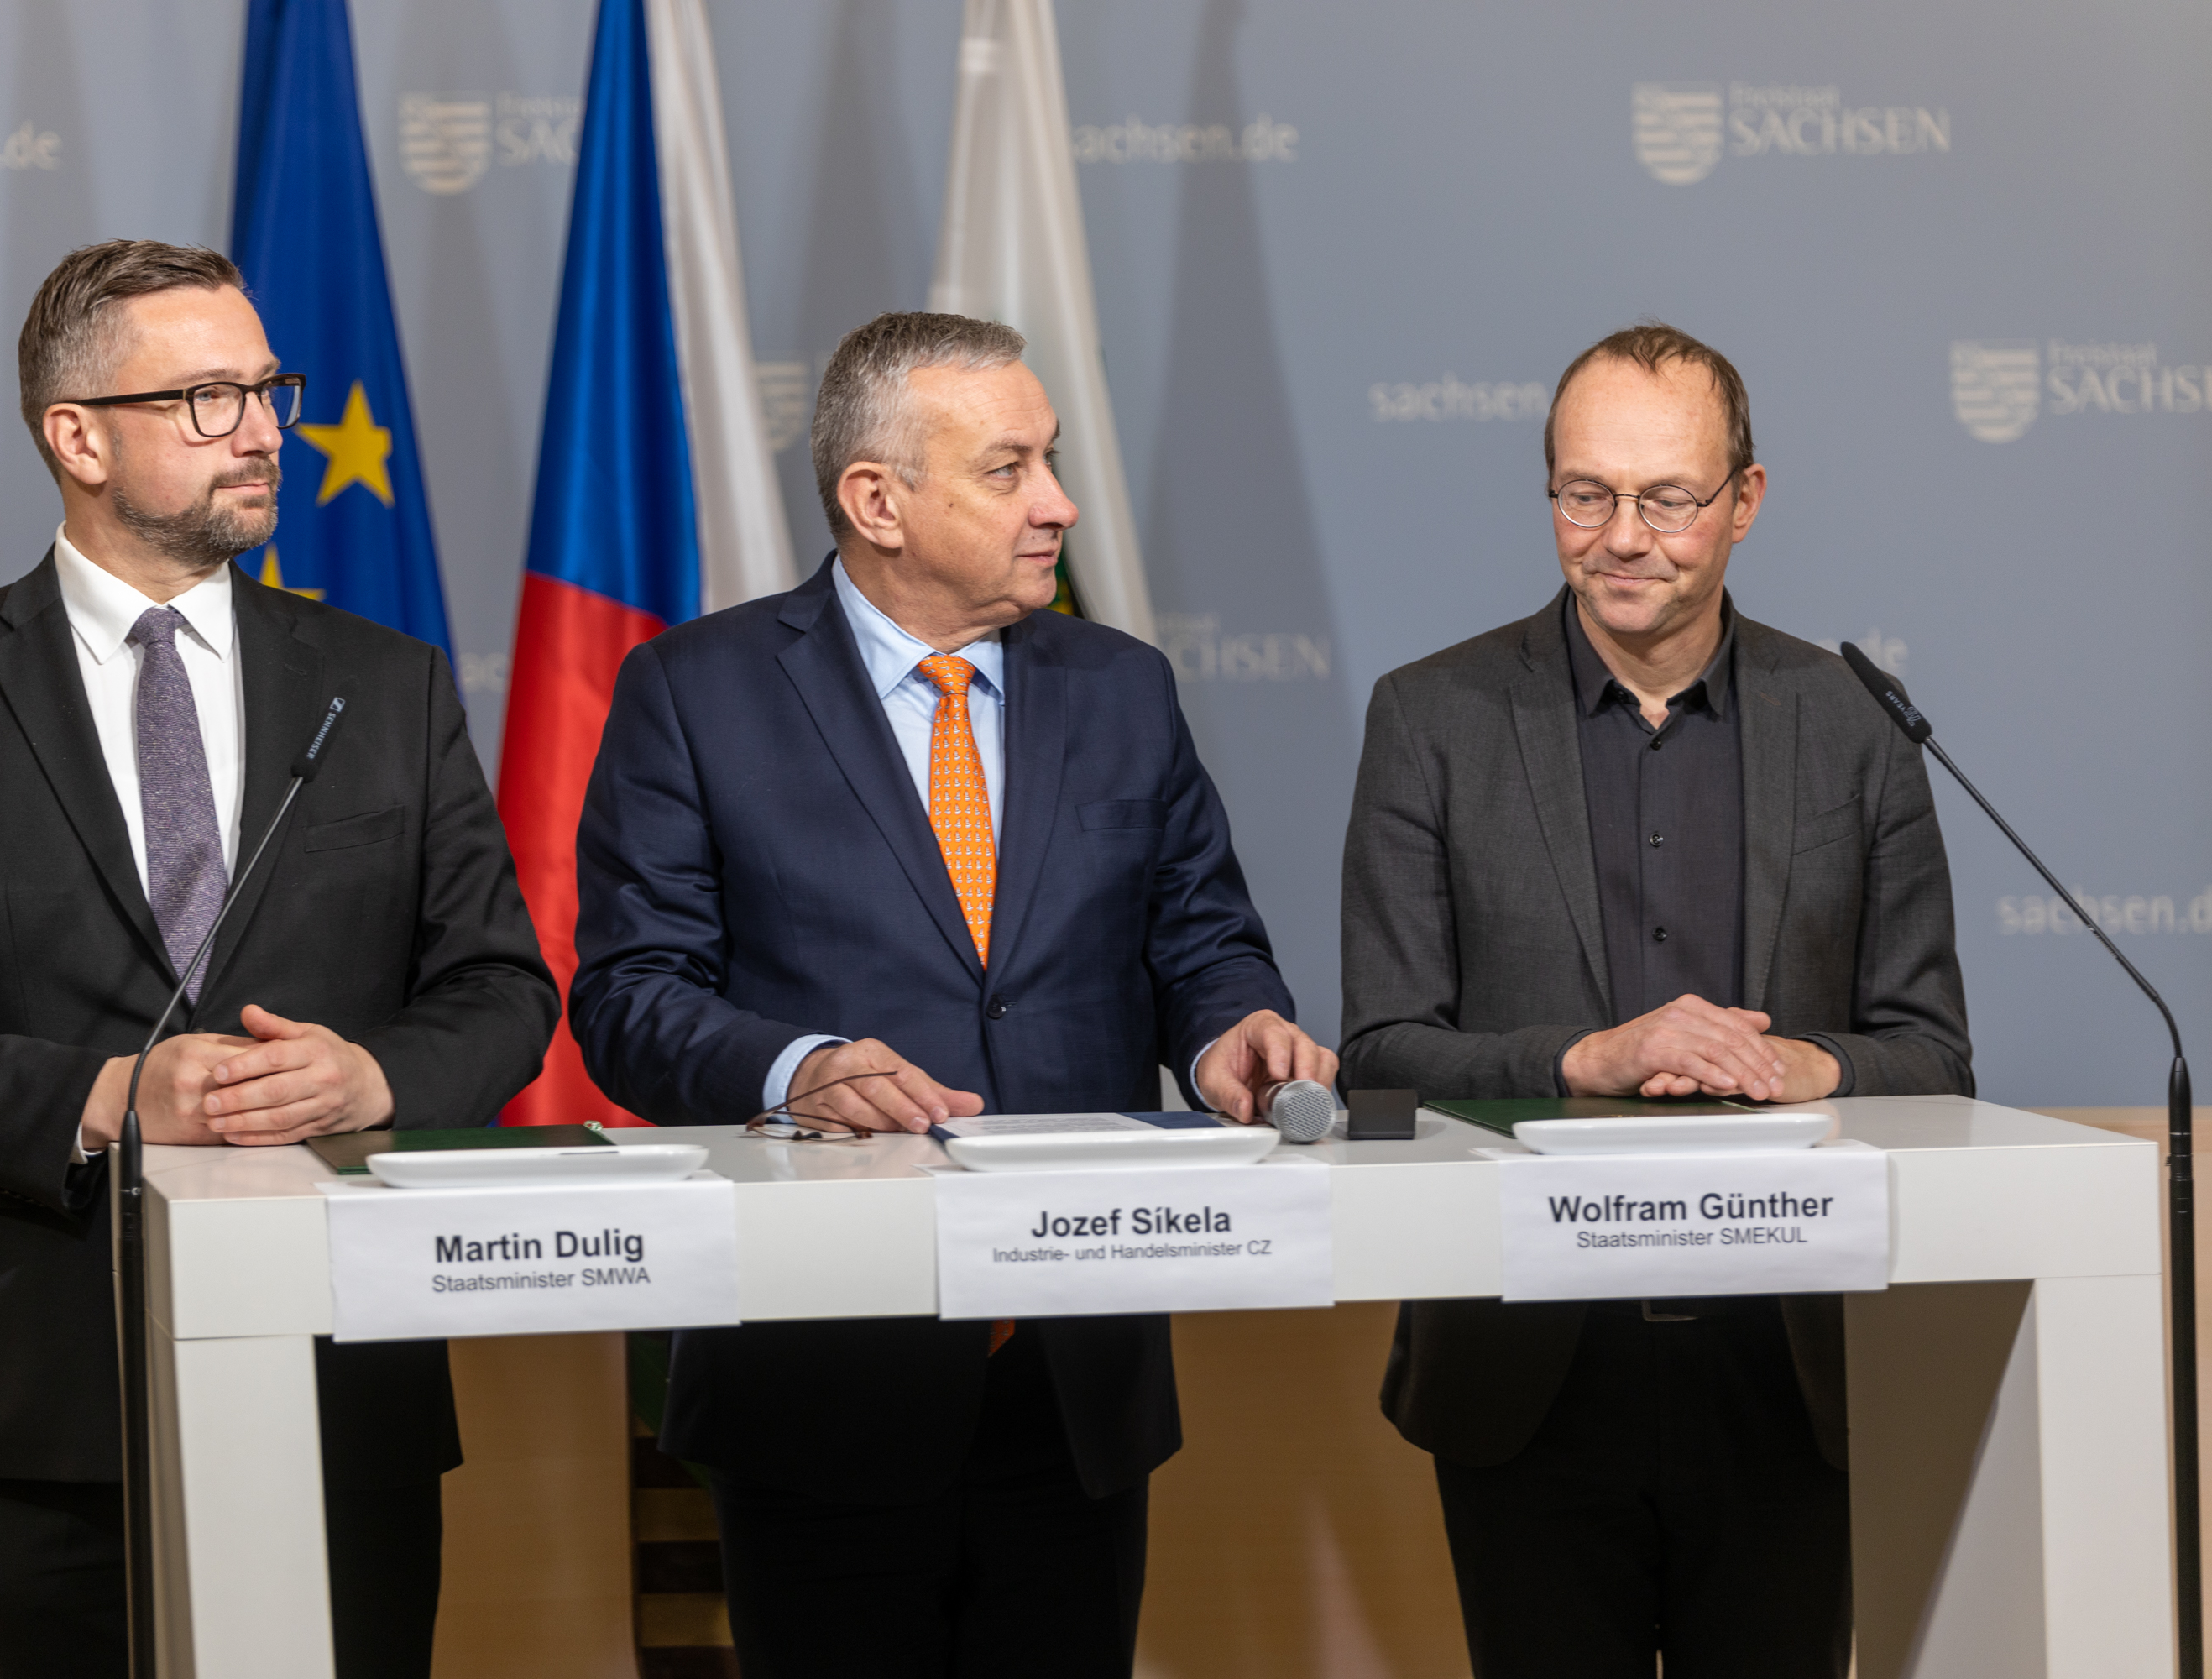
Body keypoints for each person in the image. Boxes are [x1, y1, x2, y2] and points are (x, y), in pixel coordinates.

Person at [0, 240, 555, 1679]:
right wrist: (108, 1097)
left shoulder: (384, 683)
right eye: (208, 398)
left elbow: (503, 988)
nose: (262, 430)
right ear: (78, 438)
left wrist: (374, 1076)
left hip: (341, 1368)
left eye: (267, 389)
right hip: (44, 1384)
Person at [572, 311, 1335, 1678]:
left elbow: (1203, 939)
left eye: (1051, 459)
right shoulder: (696, 691)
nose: (1060, 504)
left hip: (1071, 1371)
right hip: (821, 1372)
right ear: (879, 502)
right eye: (1008, 469)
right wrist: (798, 1068)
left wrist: (1236, 1028)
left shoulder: (1123, 687)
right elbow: (631, 996)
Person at [1341, 322, 1972, 1677]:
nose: (1623, 538)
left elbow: (1933, 1054)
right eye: (1587, 494)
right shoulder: (1431, 717)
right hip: (1527, 1369)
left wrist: (1808, 1068)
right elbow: (1381, 1057)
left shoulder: (1855, 724)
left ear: (1745, 501)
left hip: (1790, 1368)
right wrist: (1586, 1057)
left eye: (1669, 499)